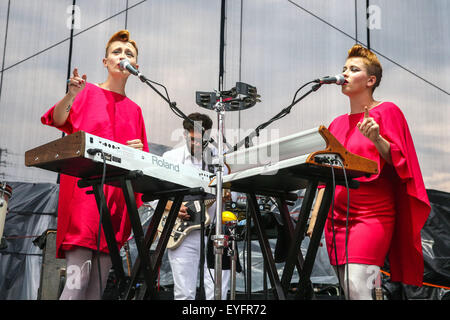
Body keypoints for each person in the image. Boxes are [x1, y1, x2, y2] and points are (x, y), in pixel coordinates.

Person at [307, 44, 431, 300]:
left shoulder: (387, 111)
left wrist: (377, 139)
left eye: (354, 69)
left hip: (372, 214)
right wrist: (315, 216)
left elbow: (401, 161)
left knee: (357, 284)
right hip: (335, 218)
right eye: (344, 69)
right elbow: (325, 177)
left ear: (370, 80)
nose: (345, 74)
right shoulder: (337, 124)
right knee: (348, 287)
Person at [41, 30, 149, 300]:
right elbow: (57, 118)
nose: (123, 57)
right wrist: (71, 95)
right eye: (117, 52)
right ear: (105, 61)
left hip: (115, 200)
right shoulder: (86, 92)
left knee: (98, 287)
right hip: (84, 196)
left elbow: (142, 163)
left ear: (136, 66)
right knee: (79, 279)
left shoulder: (135, 110)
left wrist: (138, 153)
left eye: (129, 54)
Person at [162, 112, 240, 300]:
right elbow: (155, 195)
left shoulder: (222, 160)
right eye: (192, 139)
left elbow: (235, 194)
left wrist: (229, 194)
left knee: (218, 293)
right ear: (184, 135)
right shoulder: (170, 157)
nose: (197, 143)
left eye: (202, 139)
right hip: (183, 233)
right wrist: (171, 205)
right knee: (184, 293)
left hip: (217, 232)